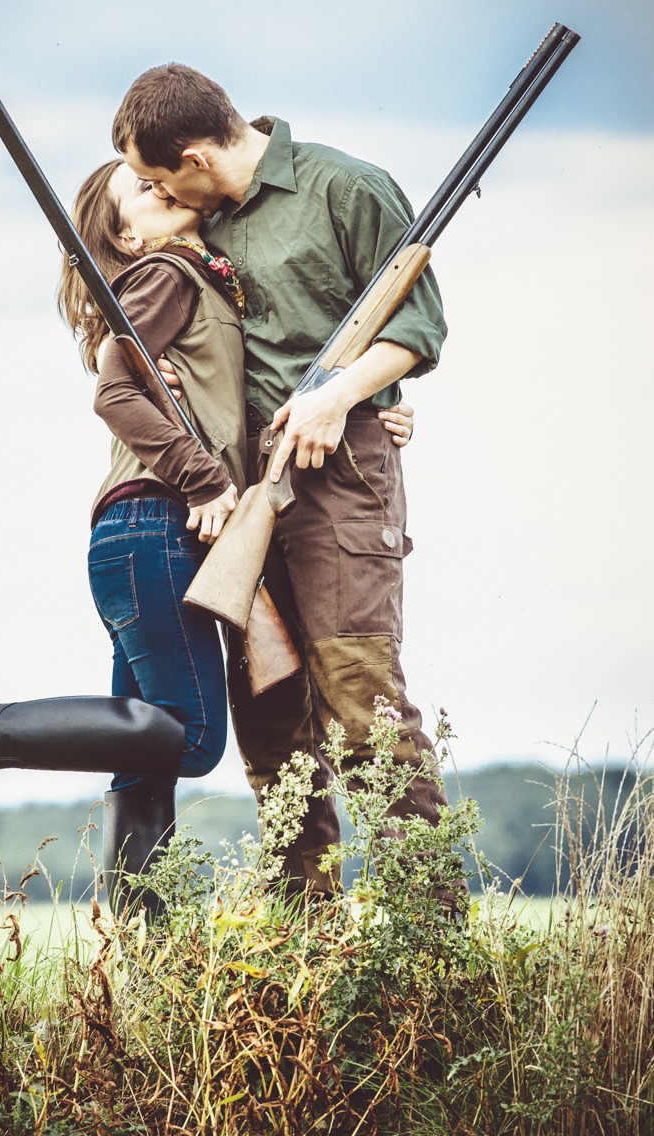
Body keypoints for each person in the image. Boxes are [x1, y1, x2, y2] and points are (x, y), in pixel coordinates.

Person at [0, 155, 416, 912]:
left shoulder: (198, 278)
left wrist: (364, 406)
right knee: (190, 740)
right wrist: (207, 481)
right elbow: (114, 391)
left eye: (158, 181)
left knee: (145, 759)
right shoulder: (167, 276)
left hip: (148, 536)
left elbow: (240, 393)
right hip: (152, 527)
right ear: (124, 237)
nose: (158, 189)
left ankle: (143, 945)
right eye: (142, 192)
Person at [112, 63, 452, 897]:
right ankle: (307, 946)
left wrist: (344, 400)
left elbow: (418, 325)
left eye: (159, 180)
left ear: (193, 155)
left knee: (361, 701)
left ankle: (432, 946)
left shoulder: (347, 188)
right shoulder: (194, 228)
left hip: (340, 481)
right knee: (271, 729)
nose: (159, 197)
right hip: (242, 500)